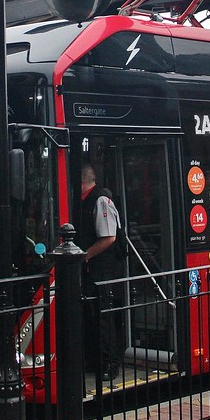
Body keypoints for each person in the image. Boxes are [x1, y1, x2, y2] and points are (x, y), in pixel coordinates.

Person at [79, 163, 125, 382]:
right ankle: (95, 359)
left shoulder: (100, 199)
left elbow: (109, 238)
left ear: (82, 181)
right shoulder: (85, 201)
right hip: (91, 269)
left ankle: (110, 363)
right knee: (92, 316)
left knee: (103, 316)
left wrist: (84, 256)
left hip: (102, 269)